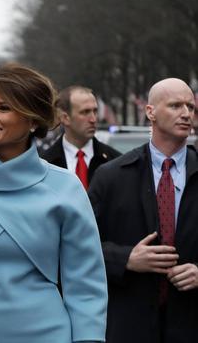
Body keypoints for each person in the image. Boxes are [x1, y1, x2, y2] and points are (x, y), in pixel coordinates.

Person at [0, 63, 107, 343]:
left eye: (3, 108)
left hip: (49, 334)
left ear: (33, 120)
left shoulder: (66, 188)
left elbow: (86, 283)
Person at [89, 78, 198, 343]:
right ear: (150, 112)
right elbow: (78, 247)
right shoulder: (111, 176)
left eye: (190, 107)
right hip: (129, 324)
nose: (186, 114)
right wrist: (125, 259)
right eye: (175, 105)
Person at [42, 86, 121, 189]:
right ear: (65, 118)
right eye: (85, 112)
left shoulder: (116, 161)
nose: (93, 119)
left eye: (95, 111)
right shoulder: (45, 165)